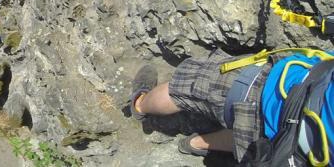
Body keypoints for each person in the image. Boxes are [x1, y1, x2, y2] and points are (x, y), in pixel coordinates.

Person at [130, 48, 334, 165]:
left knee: (186, 85)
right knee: (257, 135)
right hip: (284, 151)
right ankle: (195, 145)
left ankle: (141, 105)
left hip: (265, 90)